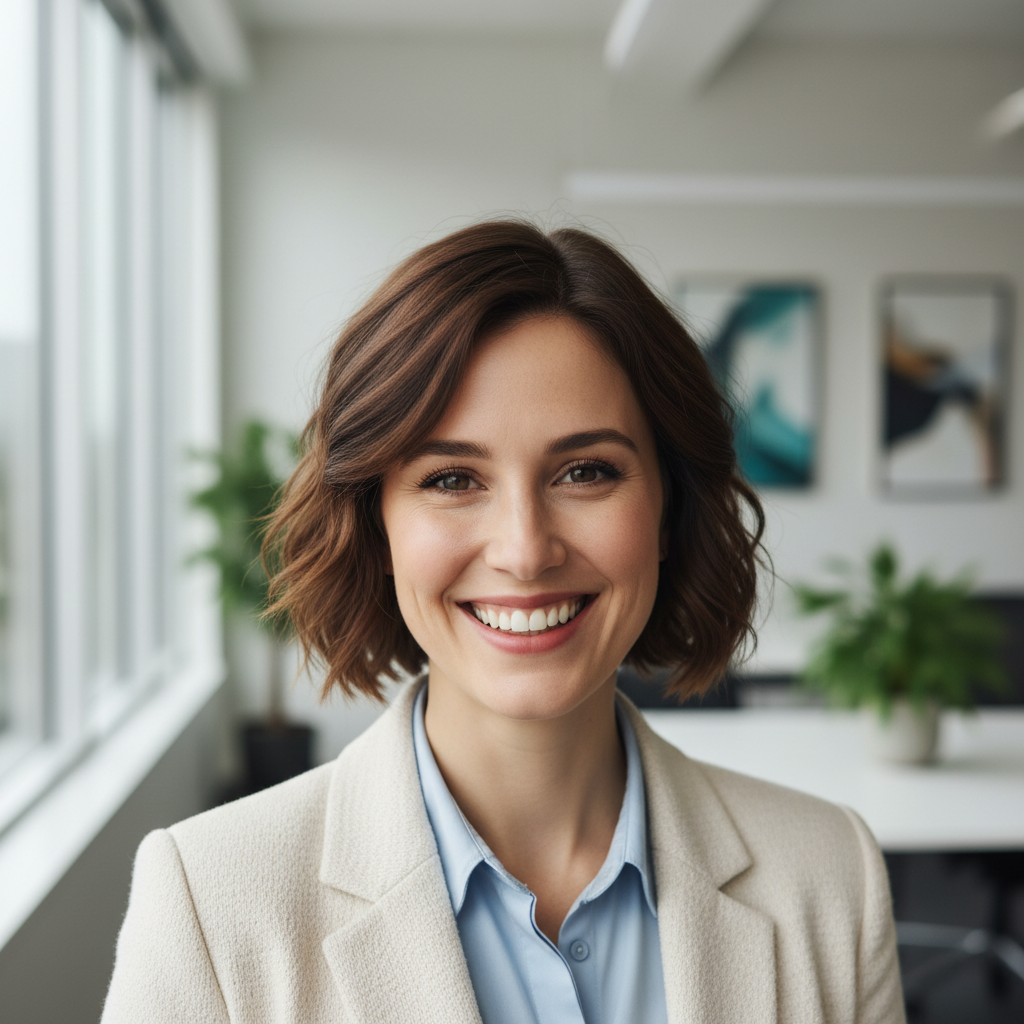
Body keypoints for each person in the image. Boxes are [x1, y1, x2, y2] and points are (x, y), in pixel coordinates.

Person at [102, 221, 905, 1024]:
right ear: (377, 525)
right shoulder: (207, 904)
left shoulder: (831, 877)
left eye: (586, 472)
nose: (525, 550)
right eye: (452, 478)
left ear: (668, 510)